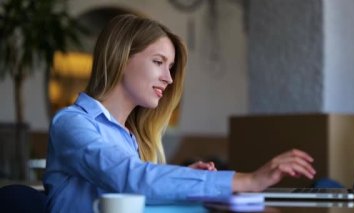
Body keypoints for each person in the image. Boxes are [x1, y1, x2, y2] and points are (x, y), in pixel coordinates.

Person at [43, 14, 316, 212]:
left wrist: (182, 181)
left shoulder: (130, 137)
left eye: (170, 67)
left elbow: (135, 191)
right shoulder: (72, 123)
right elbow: (129, 179)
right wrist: (247, 180)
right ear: (122, 58)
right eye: (158, 62)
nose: (168, 79)